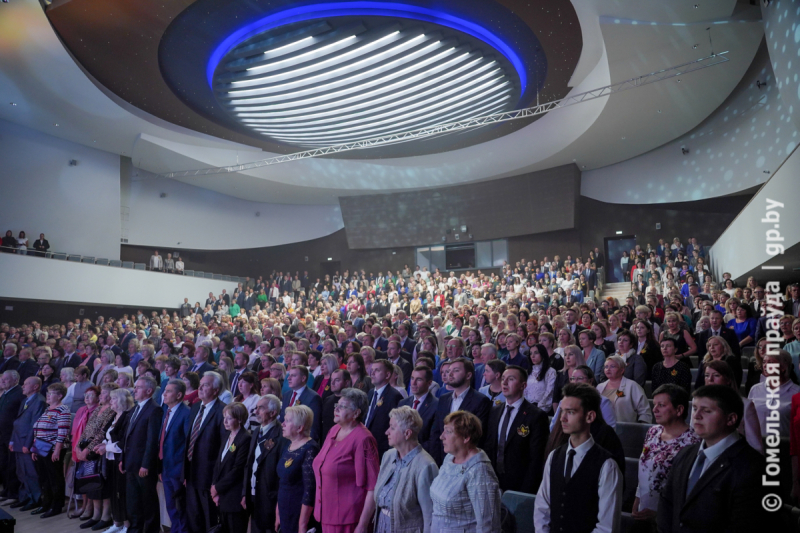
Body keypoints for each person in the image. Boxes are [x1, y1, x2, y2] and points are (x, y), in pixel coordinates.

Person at [658, 385, 768, 533]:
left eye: (707, 410)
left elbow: (745, 526)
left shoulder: (753, 467)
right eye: (695, 408)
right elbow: (667, 504)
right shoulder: (685, 454)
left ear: (730, 419)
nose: (696, 415)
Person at [534, 383, 623, 533]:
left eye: (570, 412)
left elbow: (607, 526)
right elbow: (542, 506)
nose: (562, 418)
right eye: (562, 411)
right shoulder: (554, 456)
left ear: (590, 416)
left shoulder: (607, 465)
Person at [312, 388, 380, 533]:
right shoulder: (334, 430)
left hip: (348, 520)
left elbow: (373, 487)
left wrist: (362, 524)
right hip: (326, 514)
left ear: (356, 413)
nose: (336, 408)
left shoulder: (364, 439)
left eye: (342, 406)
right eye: (337, 404)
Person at [632, 384, 700, 526]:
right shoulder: (653, 431)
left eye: (661, 405)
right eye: (655, 404)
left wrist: (660, 513)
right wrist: (637, 500)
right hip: (643, 509)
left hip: (671, 517)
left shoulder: (693, 441)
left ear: (679, 409)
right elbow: (646, 468)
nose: (654, 409)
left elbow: (690, 487)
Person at [429, 410, 501, 532]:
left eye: (448, 432)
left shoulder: (480, 471)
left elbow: (488, 525)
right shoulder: (449, 459)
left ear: (466, 437)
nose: (442, 436)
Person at [484, 365, 549, 494]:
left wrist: (526, 490)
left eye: (511, 379)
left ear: (523, 385)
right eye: (503, 379)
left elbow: (536, 458)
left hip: (520, 484)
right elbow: (489, 446)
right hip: (493, 481)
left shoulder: (536, 416)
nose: (505, 382)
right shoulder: (495, 410)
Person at [373, 406, 438, 533]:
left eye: (392, 428)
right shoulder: (388, 456)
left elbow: (430, 516)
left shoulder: (426, 466)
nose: (387, 432)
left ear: (407, 433)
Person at [429, 358, 491, 465]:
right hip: (443, 460)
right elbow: (436, 432)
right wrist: (436, 461)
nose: (450, 374)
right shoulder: (444, 399)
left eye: (456, 370)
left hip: (466, 462)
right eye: (449, 371)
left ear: (468, 375)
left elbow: (478, 437)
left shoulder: (480, 401)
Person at [185, 372, 226, 533]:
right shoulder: (195, 407)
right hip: (191, 471)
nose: (200, 388)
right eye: (200, 384)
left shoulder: (222, 411)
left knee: (208, 517)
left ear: (216, 390)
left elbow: (222, 447)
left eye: (206, 385)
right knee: (193, 516)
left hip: (208, 475)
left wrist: (216, 479)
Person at [121, 376, 162, 533]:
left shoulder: (154, 409)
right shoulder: (135, 408)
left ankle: (151, 530)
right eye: (135, 387)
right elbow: (128, 437)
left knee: (148, 502)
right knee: (133, 501)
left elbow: (152, 441)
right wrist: (123, 459)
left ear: (149, 390)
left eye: (138, 387)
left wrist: (146, 464)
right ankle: (135, 529)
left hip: (143, 465)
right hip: (130, 462)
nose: (134, 390)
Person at [243, 394, 287, 533]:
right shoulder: (256, 431)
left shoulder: (281, 435)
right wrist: (245, 492)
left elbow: (280, 473)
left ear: (273, 412)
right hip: (253, 494)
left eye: (260, 408)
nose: (256, 411)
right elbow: (249, 464)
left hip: (269, 498)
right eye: (256, 408)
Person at [702, 360, 763, 453]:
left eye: (716, 375)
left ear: (728, 379)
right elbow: (694, 434)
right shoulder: (698, 402)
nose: (710, 379)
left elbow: (755, 445)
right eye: (706, 375)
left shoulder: (746, 405)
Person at [30, 382, 71, 518]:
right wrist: (35, 449)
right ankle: (46, 503)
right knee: (44, 478)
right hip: (41, 449)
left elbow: (62, 432)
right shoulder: (48, 409)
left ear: (59, 396)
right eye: (47, 393)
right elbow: (38, 430)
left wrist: (57, 450)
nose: (47, 395)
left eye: (51, 393)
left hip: (53, 449)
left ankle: (56, 505)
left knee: (55, 478)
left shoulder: (63, 410)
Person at [276, 405, 319, 533]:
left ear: (300, 428)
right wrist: (278, 513)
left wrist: (302, 525)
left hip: (298, 514)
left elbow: (309, 491)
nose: (282, 424)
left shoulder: (310, 449)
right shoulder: (289, 445)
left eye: (287, 421)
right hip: (284, 511)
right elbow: (282, 482)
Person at [211, 402, 251, 533]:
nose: (225, 421)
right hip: (223, 495)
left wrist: (217, 488)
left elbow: (238, 469)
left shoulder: (245, 438)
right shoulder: (227, 435)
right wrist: (214, 486)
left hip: (234, 496)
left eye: (229, 418)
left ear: (239, 419)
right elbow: (219, 464)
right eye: (224, 417)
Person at [158, 379, 191, 533]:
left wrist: (184, 471)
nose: (164, 393)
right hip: (165, 465)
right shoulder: (166, 410)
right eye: (165, 390)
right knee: (170, 504)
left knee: (180, 505)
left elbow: (187, 445)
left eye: (169, 391)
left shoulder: (186, 413)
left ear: (179, 395)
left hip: (178, 468)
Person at [10, 376, 46, 511]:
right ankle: (25, 497)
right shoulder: (26, 400)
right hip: (18, 440)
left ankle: (35, 499)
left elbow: (34, 425)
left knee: (31, 473)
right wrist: (12, 440)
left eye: (25, 384)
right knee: (21, 472)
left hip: (26, 442)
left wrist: (28, 443)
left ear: (35, 387)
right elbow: (17, 421)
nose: (23, 386)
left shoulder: (39, 401)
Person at [99, 387, 133, 533]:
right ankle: (116, 522)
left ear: (120, 400)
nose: (110, 401)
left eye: (113, 398)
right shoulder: (114, 416)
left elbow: (125, 442)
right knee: (114, 492)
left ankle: (126, 525)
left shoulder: (127, 416)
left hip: (121, 460)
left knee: (122, 492)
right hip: (111, 459)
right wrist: (103, 445)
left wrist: (106, 448)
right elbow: (109, 437)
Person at [748, 349, 800, 437]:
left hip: (785, 446)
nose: (765, 366)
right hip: (757, 445)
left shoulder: (797, 392)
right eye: (764, 362)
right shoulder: (755, 389)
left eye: (771, 362)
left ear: (783, 367)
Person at [596, 355, 653, 424]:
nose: (608, 369)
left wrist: (640, 430)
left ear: (622, 370)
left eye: (612, 366)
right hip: (602, 430)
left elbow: (645, 412)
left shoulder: (632, 386)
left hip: (626, 431)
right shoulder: (599, 387)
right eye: (606, 367)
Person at [365, 360, 404, 458]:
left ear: (387, 375)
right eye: (372, 370)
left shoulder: (394, 396)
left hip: (381, 448)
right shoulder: (370, 392)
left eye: (377, 370)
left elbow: (394, 425)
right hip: (366, 444)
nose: (372, 373)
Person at [400, 365, 439, 454]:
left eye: (419, 379)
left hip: (422, 455)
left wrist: (411, 450)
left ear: (429, 383)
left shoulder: (437, 405)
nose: (413, 383)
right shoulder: (403, 403)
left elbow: (433, 440)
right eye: (412, 378)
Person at [281, 366, 322, 442]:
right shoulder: (286, 395)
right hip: (284, 440)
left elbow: (313, 427)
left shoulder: (313, 397)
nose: (288, 378)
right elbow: (282, 419)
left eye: (293, 375)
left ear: (303, 378)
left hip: (300, 442)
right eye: (289, 375)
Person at [0, 371, 24, 503]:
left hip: (12, 436)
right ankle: (6, 490)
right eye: (2, 379)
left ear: (15, 380)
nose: (3, 382)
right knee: (3, 463)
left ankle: (13, 493)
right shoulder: (6, 393)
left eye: (6, 379)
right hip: (2, 435)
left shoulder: (19, 393)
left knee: (11, 465)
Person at [525, 344, 557, 413]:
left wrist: (538, 407)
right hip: (527, 407)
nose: (532, 356)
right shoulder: (528, 372)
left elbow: (549, 391)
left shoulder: (550, 371)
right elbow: (524, 390)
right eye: (531, 353)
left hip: (542, 408)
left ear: (542, 354)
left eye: (536, 353)